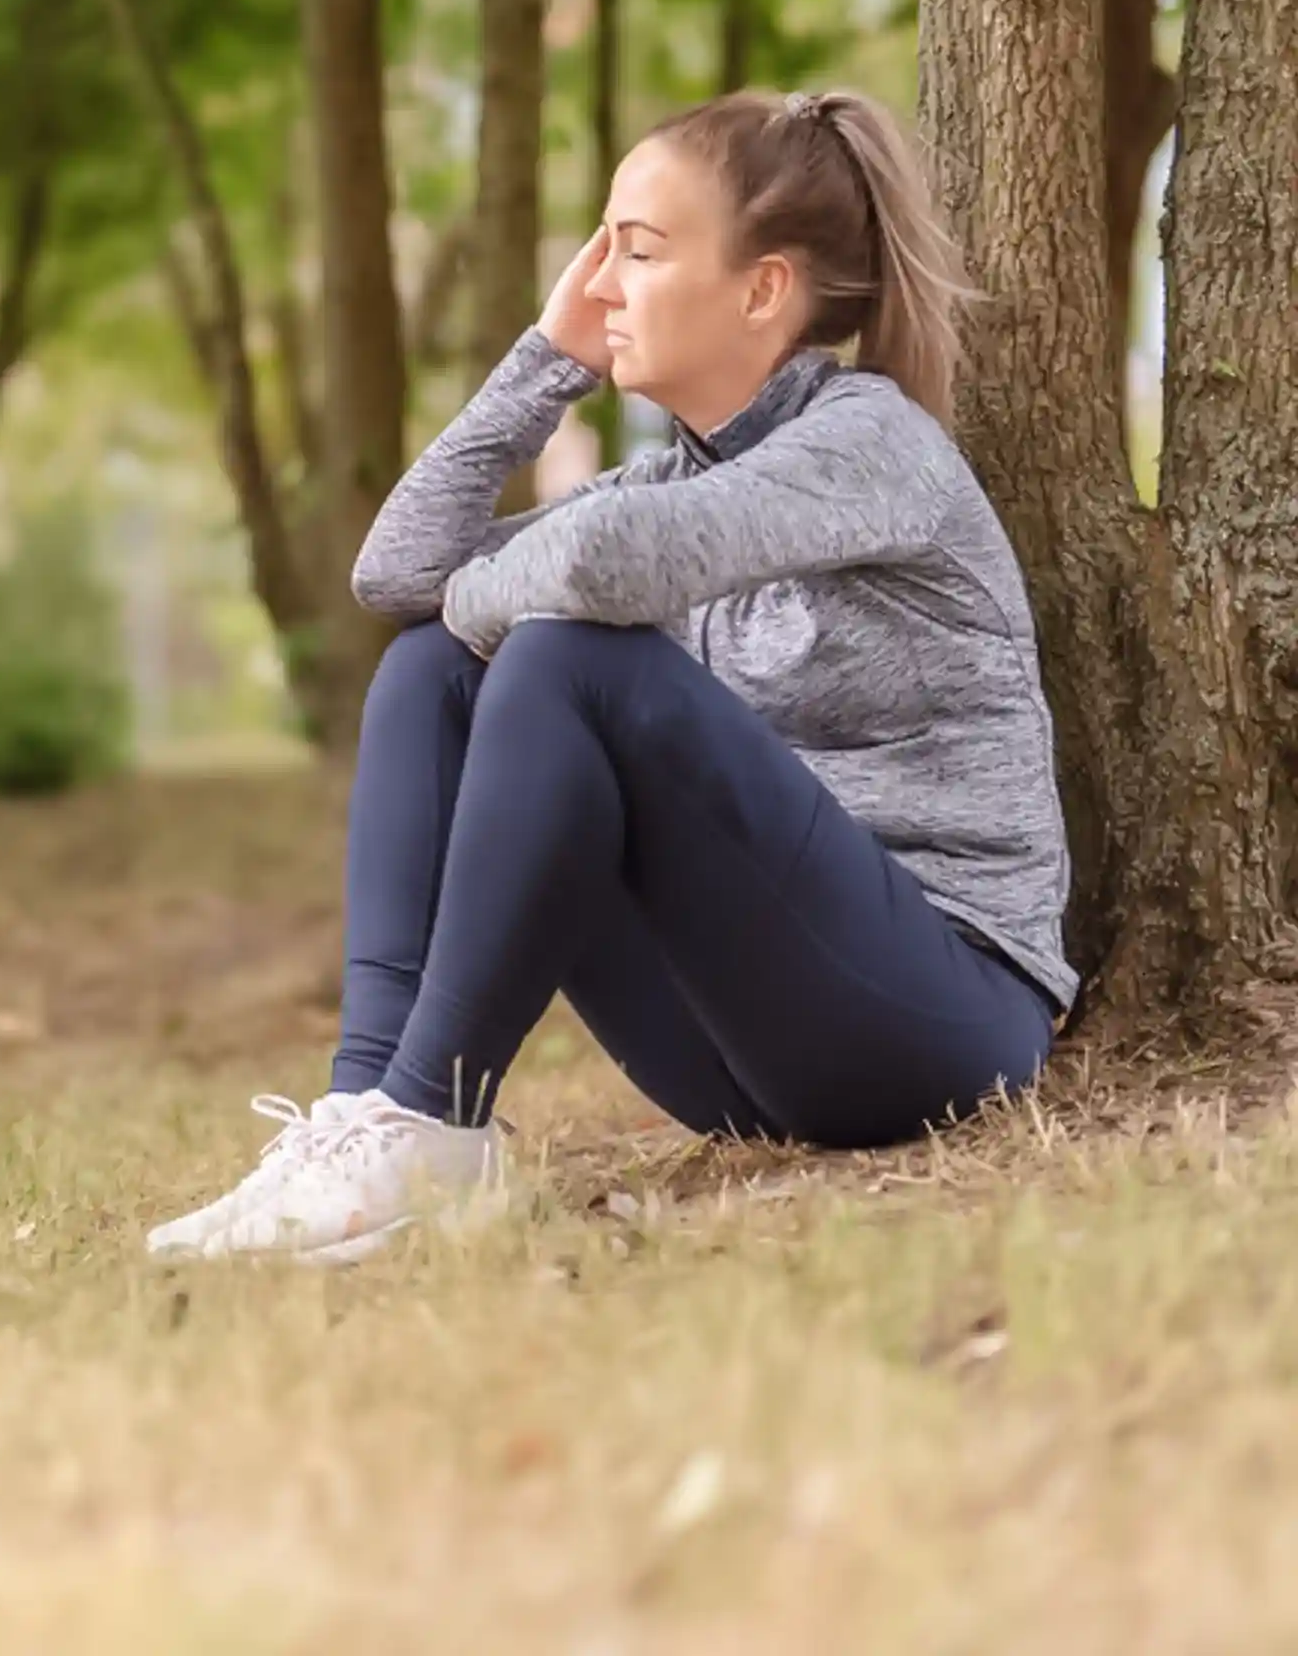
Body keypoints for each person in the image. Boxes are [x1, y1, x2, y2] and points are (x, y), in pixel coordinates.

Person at [146, 87, 1074, 1268]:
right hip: (741, 1052)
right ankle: (376, 1113)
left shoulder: (872, 443)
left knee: (564, 651)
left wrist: (509, 603)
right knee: (436, 667)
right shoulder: (665, 486)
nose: (600, 285)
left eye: (636, 251)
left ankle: (430, 1111)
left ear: (762, 289)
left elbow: (585, 566)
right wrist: (543, 363)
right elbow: (398, 574)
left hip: (937, 1020)